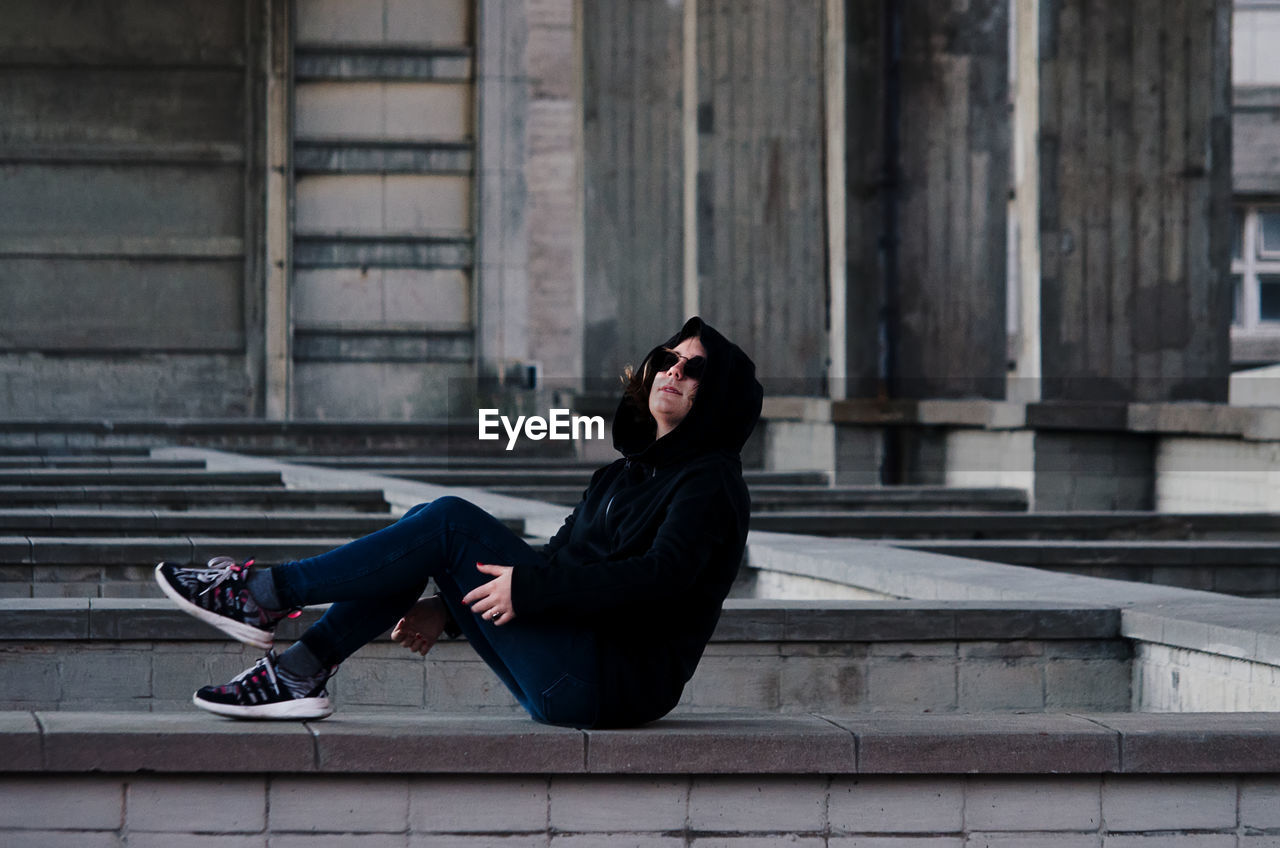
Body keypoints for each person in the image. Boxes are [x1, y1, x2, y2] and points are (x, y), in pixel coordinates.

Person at [154, 316, 763, 728]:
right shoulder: (622, 475)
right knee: (426, 529)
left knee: (445, 522)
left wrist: (532, 589)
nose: (675, 372)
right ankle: (295, 672)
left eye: (695, 370)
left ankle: (263, 595)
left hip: (609, 682)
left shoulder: (710, 481)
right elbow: (558, 556)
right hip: (573, 670)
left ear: (719, 398)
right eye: (669, 359)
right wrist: (448, 610)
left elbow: (660, 577)